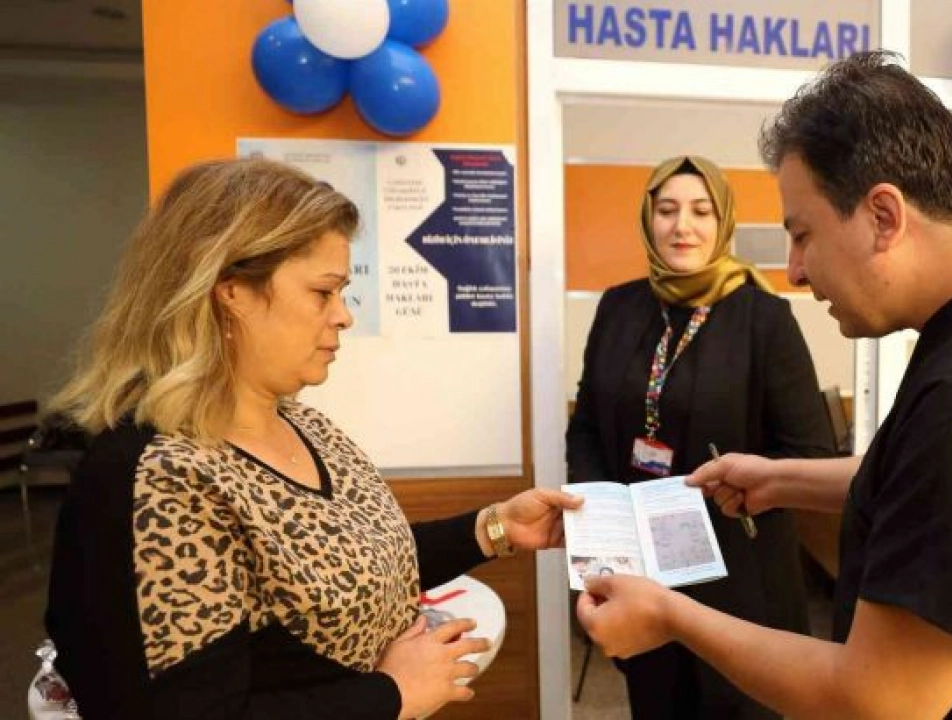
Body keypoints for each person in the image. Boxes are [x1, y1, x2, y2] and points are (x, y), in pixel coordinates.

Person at [577, 52, 952, 719]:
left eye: (803, 235)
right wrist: (783, 480)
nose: (796, 270)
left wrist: (671, 616)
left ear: (883, 215)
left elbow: (876, 700)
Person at [43, 158, 583, 720]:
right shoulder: (156, 476)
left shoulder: (304, 424)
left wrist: (495, 528)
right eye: (323, 292)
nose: (343, 316)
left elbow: (350, 571)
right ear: (231, 293)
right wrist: (392, 694)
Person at [566, 154, 834, 718]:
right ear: (648, 220)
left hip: (740, 574)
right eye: (666, 210)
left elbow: (810, 452)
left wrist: (744, 484)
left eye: (700, 211)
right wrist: (602, 522)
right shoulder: (618, 308)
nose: (682, 226)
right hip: (642, 570)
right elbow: (586, 424)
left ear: (723, 221)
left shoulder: (764, 318)